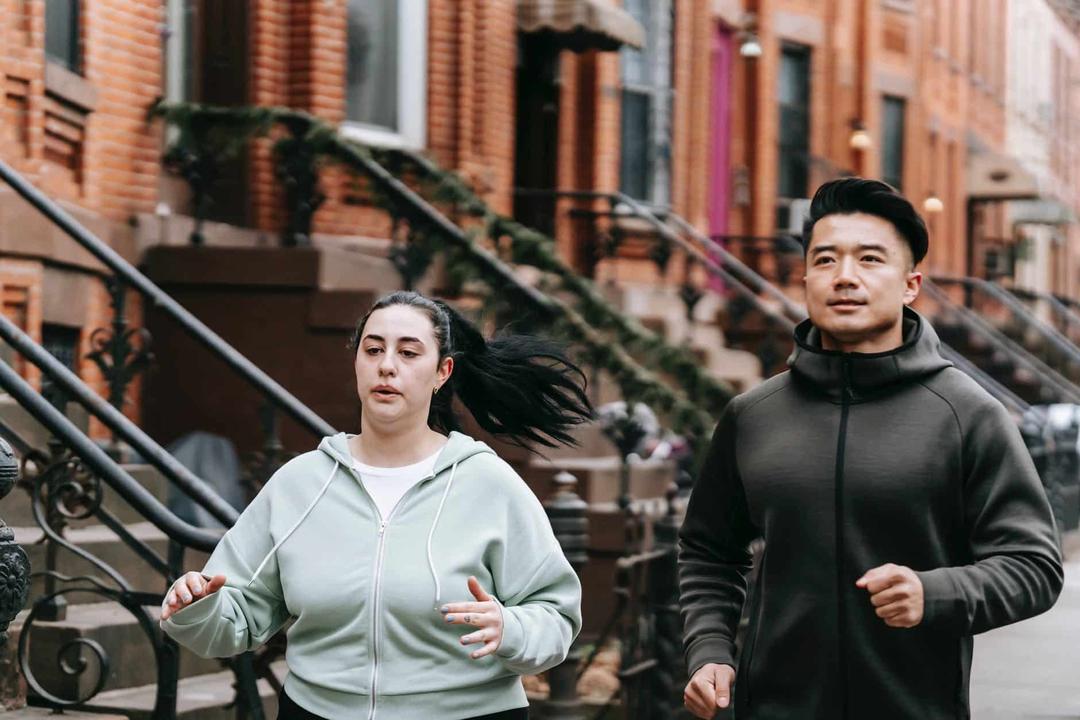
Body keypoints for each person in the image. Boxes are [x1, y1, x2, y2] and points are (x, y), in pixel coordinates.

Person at [678, 178, 1063, 719]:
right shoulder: (753, 415)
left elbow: (1034, 566)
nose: (846, 277)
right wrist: (709, 650)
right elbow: (708, 551)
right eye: (827, 260)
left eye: (870, 259)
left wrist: (936, 594)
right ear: (807, 276)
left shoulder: (967, 413)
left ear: (911, 285)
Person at [160, 291, 592, 720]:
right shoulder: (301, 484)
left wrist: (510, 628)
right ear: (357, 364)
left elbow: (554, 616)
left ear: (442, 372)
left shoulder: (488, 484)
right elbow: (236, 616)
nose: (387, 365)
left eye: (408, 352)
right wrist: (194, 608)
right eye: (373, 350)